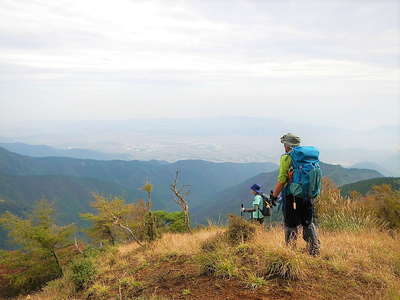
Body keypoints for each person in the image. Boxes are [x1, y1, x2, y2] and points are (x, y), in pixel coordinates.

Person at [270, 133, 321, 256]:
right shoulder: (308, 158)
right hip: (307, 195)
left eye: (284, 144)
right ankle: (314, 250)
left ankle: (290, 252)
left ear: (287, 145)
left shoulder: (287, 158)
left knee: (290, 224)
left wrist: (274, 197)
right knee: (308, 223)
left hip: (292, 196)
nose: (284, 147)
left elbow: (282, 180)